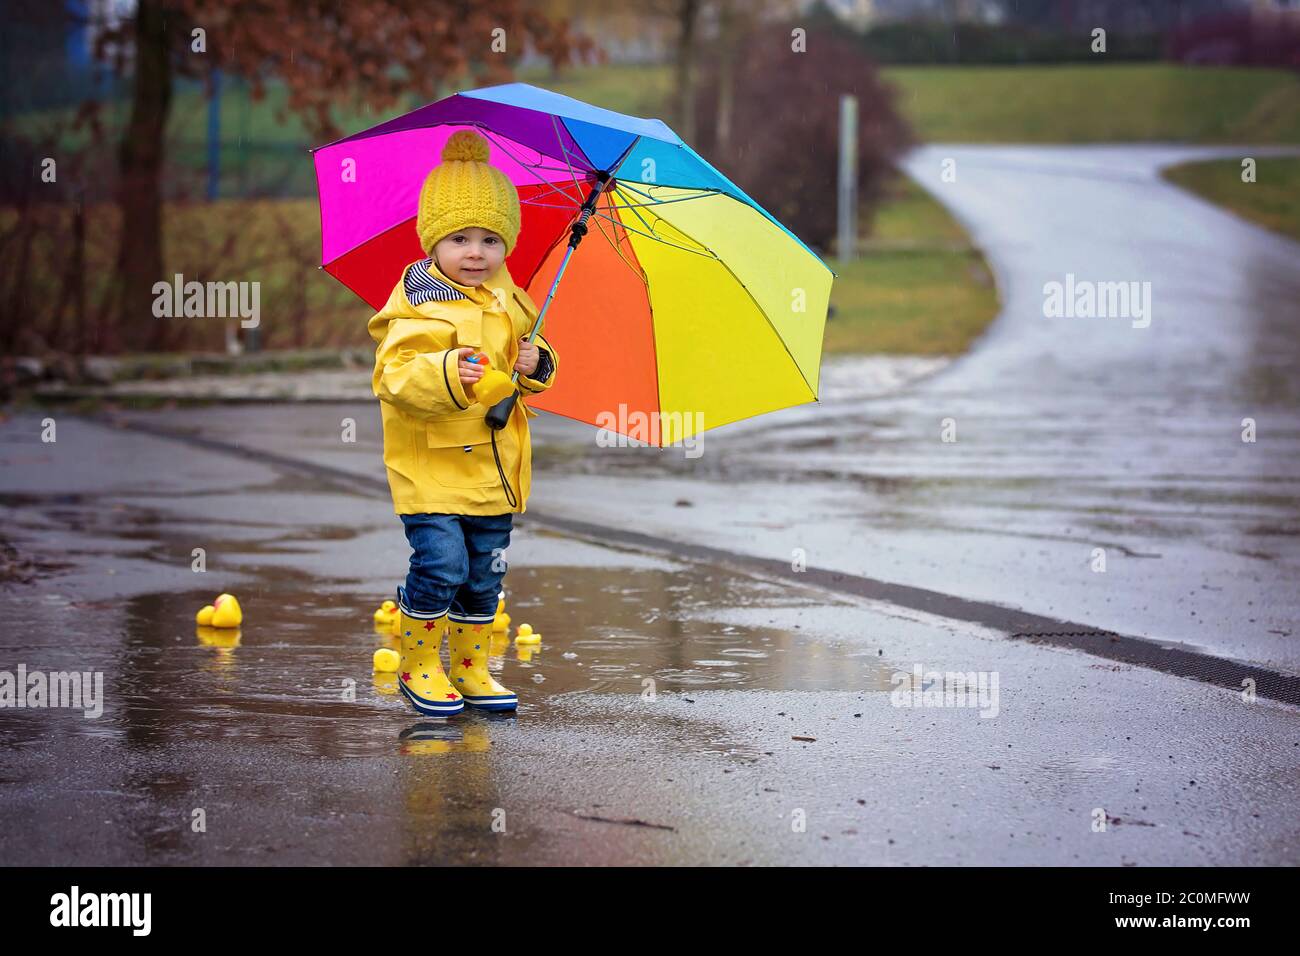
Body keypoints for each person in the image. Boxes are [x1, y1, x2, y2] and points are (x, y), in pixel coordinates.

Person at [368, 129, 559, 717]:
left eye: (490, 239)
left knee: (483, 575)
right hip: (431, 469)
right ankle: (420, 662)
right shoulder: (420, 299)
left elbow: (520, 380)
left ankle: (473, 666)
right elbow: (395, 377)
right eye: (459, 238)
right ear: (433, 242)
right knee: (443, 564)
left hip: (495, 471)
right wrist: (450, 369)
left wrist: (535, 363)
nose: (475, 252)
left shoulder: (515, 303)